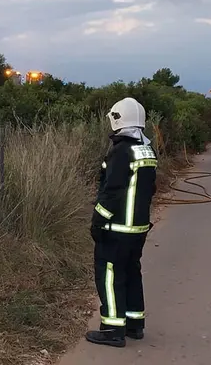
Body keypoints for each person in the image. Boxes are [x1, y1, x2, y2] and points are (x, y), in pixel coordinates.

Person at [85, 97, 158, 348]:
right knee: (131, 272)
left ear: (118, 119)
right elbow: (151, 188)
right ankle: (134, 324)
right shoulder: (146, 149)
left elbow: (112, 191)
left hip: (116, 229)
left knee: (110, 276)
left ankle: (113, 330)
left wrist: (98, 221)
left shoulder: (121, 151)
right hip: (138, 228)